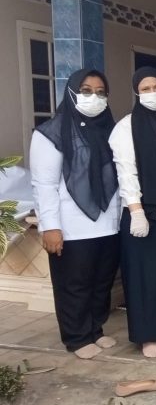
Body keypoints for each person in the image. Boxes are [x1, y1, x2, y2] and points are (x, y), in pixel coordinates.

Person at [30, 68, 121, 359]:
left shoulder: (110, 129)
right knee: (74, 284)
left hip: (108, 223)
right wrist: (50, 226)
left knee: (101, 282)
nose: (94, 97)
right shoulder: (50, 133)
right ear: (71, 93)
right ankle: (77, 337)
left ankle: (95, 329)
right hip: (71, 225)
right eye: (86, 91)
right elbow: (44, 184)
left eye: (100, 92)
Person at [109, 67, 156, 358]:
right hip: (144, 213)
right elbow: (126, 171)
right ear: (137, 93)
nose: (152, 93)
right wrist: (136, 210)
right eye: (145, 89)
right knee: (146, 277)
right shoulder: (126, 126)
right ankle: (148, 335)